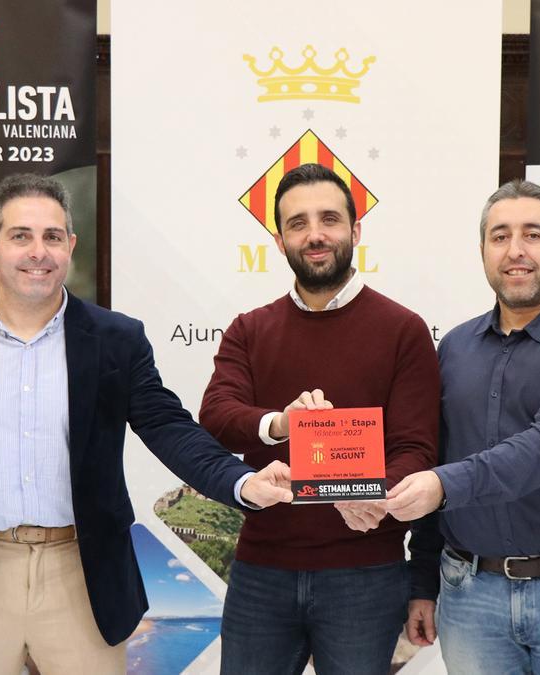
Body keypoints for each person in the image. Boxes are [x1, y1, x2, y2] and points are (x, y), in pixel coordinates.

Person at [0, 173, 293, 675]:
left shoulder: (117, 341)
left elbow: (169, 428)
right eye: (20, 236)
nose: (37, 252)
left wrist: (241, 481)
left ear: (70, 246)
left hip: (83, 576)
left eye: (52, 237)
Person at [386, 179, 540, 674]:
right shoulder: (454, 348)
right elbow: (438, 456)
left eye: (533, 234)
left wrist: (441, 485)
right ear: (482, 250)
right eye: (499, 236)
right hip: (468, 591)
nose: (515, 251)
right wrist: (422, 583)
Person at [199, 163, 440, 674]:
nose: (314, 235)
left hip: (366, 574)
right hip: (262, 569)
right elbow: (217, 413)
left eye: (329, 219)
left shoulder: (404, 330)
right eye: (297, 223)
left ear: (354, 231)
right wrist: (280, 424)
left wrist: (372, 494)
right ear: (281, 239)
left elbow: (416, 448)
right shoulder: (250, 329)